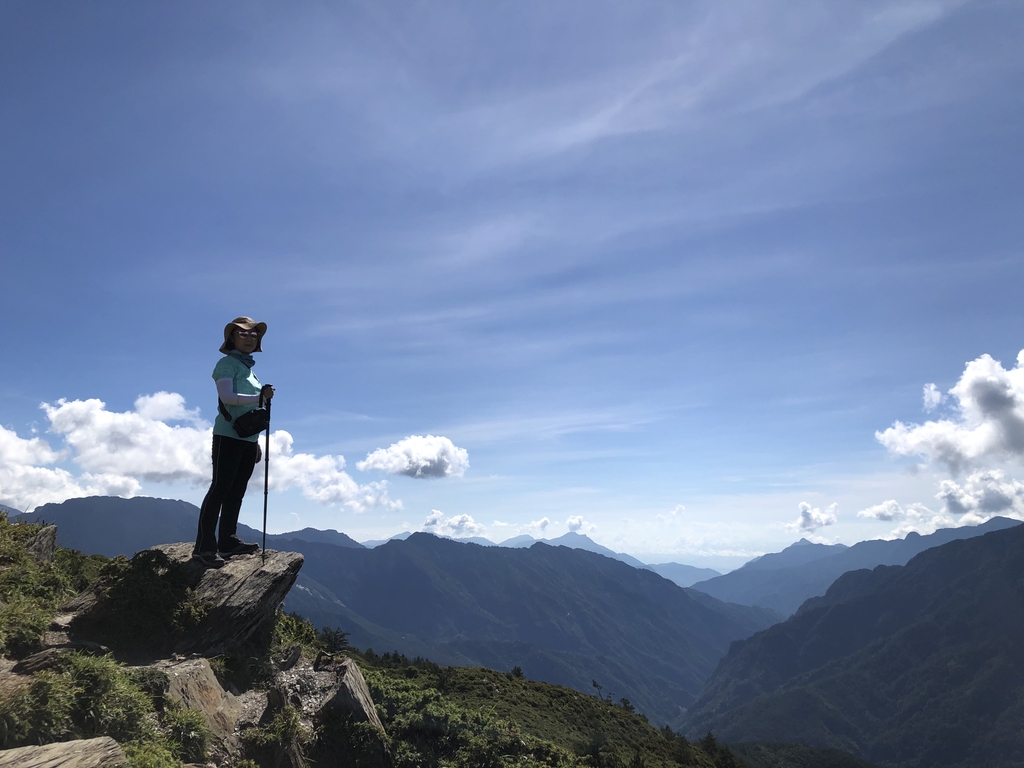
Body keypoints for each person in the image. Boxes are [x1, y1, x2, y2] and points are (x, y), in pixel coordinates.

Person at [193, 316, 275, 567]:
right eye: (243, 334)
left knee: (236, 490)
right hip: (227, 436)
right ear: (231, 338)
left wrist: (255, 441)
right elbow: (227, 398)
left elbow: (247, 410)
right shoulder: (226, 364)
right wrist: (260, 397)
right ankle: (204, 547)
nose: (250, 338)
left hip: (246, 438)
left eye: (253, 335)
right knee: (220, 488)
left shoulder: (249, 371)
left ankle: (227, 541)